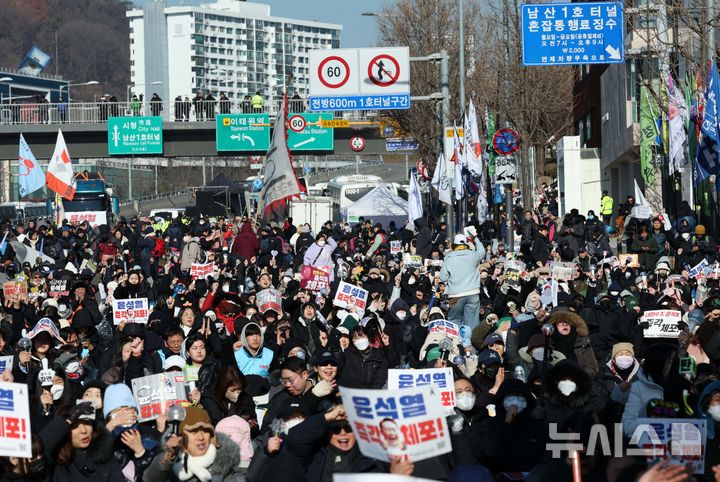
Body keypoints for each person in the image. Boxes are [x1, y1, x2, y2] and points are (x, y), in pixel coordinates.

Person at [144, 406, 245, 482]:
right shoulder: (173, 456)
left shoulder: (225, 456)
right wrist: (168, 456)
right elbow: (150, 479)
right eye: (193, 432)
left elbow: (238, 476)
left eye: (205, 431)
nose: (200, 437)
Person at [439, 234, 486, 330]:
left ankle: (458, 343)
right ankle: (470, 343)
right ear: (466, 243)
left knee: (455, 320)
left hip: (455, 295)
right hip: (472, 292)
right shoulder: (473, 255)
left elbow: (443, 278)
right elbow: (482, 252)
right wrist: (475, 238)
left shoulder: (449, 258)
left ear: (454, 245)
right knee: (472, 322)